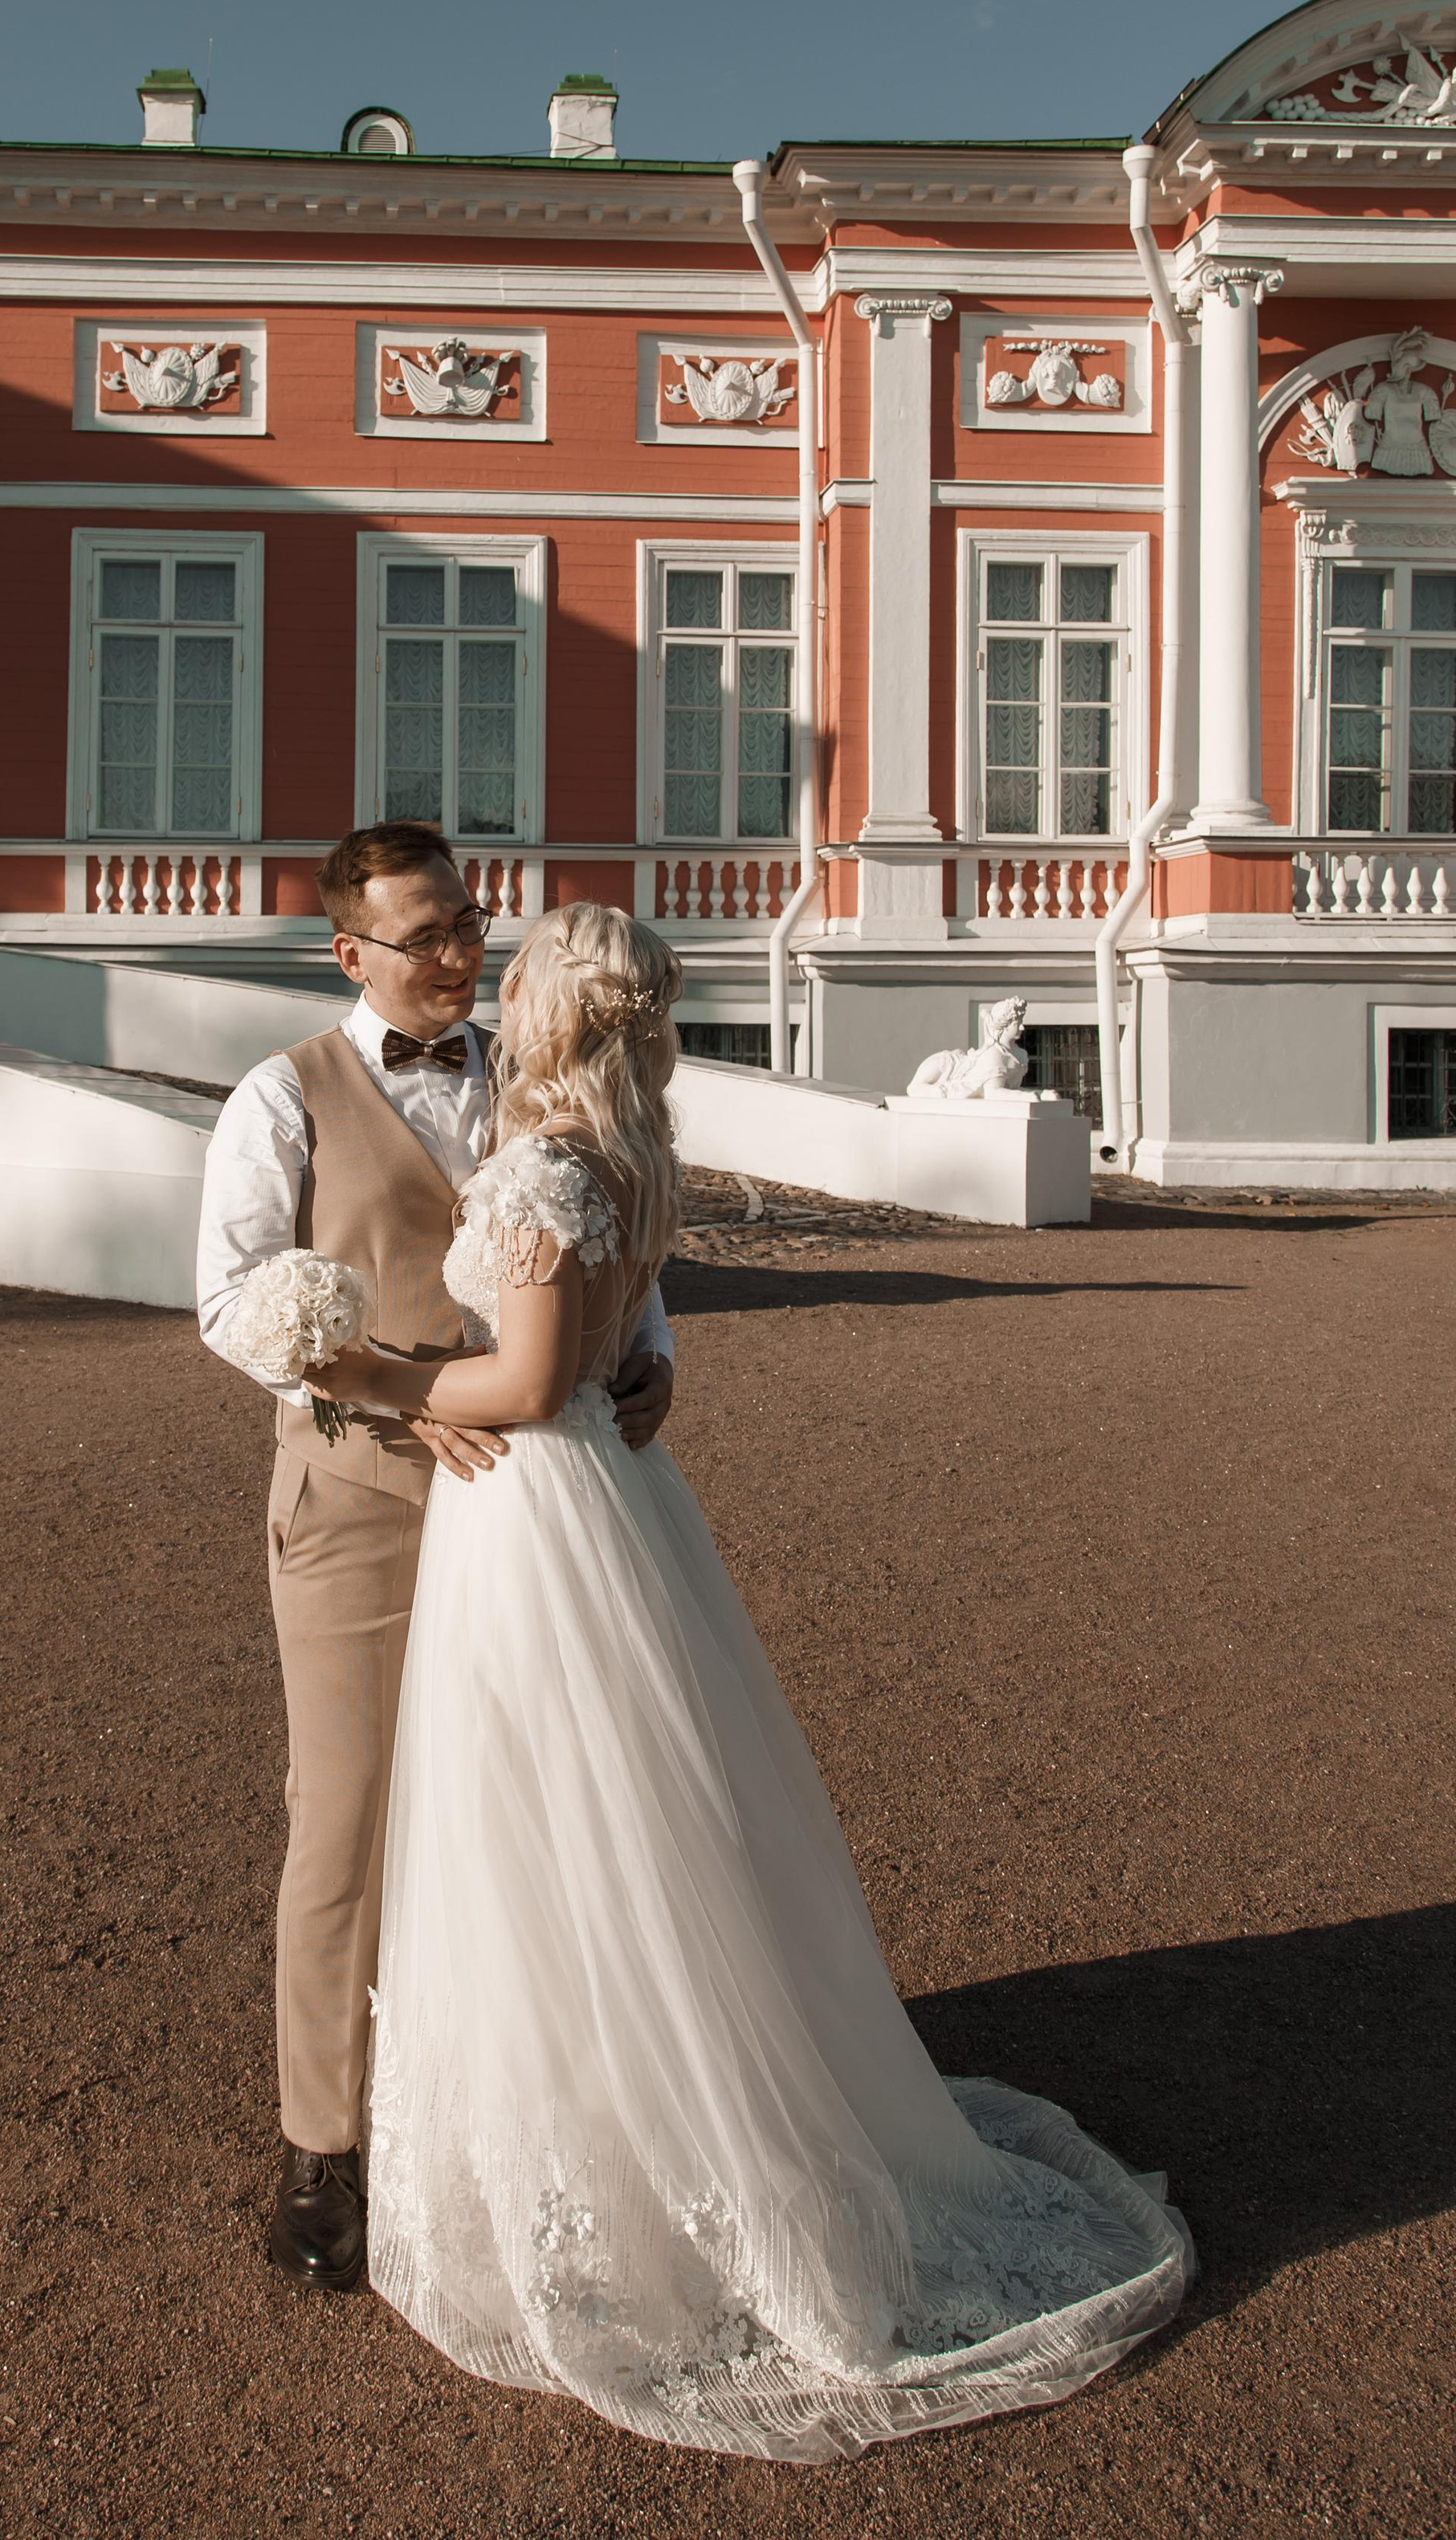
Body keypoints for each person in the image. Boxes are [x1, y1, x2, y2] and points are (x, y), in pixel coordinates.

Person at [308, 900, 1191, 2461]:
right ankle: (650, 2102)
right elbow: (605, 1347)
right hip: (615, 1498)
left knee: (549, 1819)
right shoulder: (634, 1158)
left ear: (548, 1015)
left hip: (528, 1510)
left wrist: (367, 1376)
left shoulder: (537, 1166)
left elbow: (514, 1383)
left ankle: (631, 2158)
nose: (496, 994)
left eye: (517, 983)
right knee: (643, 1811)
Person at [195, 826, 675, 2294]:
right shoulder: (282, 1097)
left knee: (538, 1812)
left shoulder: (528, 1074)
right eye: (426, 938)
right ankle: (322, 2151)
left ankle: (531, 2120)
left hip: (534, 1508)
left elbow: (601, 1239)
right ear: (351, 954)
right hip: (356, 1504)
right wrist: (357, 1388)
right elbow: (227, 1302)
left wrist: (648, 1355)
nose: (462, 954)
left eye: (469, 924)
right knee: (343, 1824)